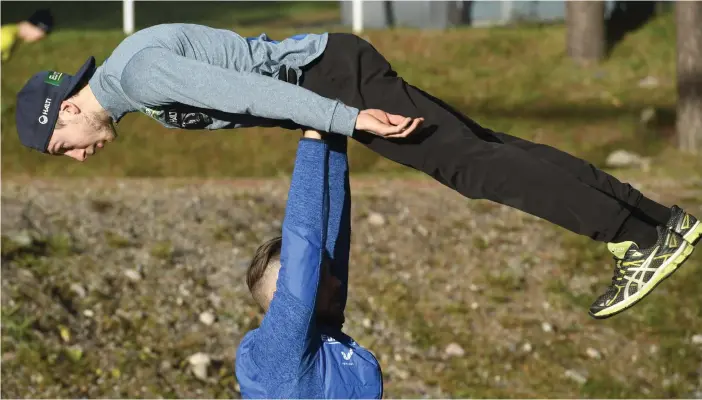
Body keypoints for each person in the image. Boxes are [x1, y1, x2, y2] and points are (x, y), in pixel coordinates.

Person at [14, 23, 700, 319]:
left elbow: (255, 93)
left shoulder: (142, 74)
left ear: (69, 107)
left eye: (65, 145)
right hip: (332, 78)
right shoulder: (136, 90)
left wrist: (349, 117)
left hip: (336, 78)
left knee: (472, 166)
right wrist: (329, 118)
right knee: (484, 150)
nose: (80, 156)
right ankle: (656, 224)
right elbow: (256, 85)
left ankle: (640, 236)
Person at [235, 129, 382, 398]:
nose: (338, 282)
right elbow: (304, 247)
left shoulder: (317, 350)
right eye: (324, 278)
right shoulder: (280, 355)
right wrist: (313, 140)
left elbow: (333, 242)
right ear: (287, 295)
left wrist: (334, 128)